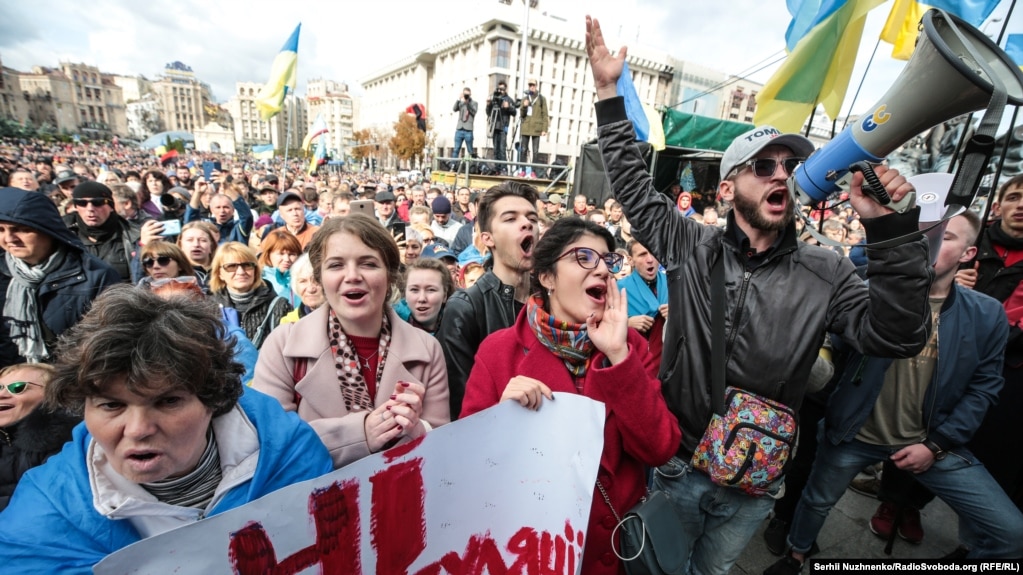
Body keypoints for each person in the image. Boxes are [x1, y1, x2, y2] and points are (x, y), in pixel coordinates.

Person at [585, 16, 934, 574]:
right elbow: (629, 181)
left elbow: (898, 335)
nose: (781, 175)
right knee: (659, 568)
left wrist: (890, 234)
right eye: (762, 167)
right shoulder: (689, 244)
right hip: (680, 461)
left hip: (756, 479)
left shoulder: (828, 270)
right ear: (726, 190)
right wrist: (608, 92)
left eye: (788, 167)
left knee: (713, 572)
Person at [0, 286, 332, 572]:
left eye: (168, 402)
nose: (138, 429)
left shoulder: (290, 453)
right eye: (112, 405)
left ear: (213, 401)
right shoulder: (44, 516)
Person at [768, 213, 1023, 572]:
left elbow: (985, 387)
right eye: (922, 235)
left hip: (932, 442)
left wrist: (936, 445)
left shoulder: (987, 315)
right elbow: (832, 338)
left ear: (968, 254)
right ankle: (796, 553)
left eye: (944, 238)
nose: (928, 244)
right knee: (817, 500)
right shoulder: (871, 291)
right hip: (854, 434)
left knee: (1011, 532)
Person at [460, 217, 680, 574]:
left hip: (613, 552)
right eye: (583, 258)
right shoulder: (498, 352)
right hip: (533, 550)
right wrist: (501, 419)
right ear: (547, 277)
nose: (603, 271)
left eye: (608, 261)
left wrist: (619, 358)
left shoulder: (631, 347)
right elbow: (469, 472)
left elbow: (660, 449)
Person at [252, 214, 450, 469]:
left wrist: (416, 429)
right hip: (314, 504)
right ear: (320, 277)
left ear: (390, 276)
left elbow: (440, 446)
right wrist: (359, 434)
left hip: (401, 499)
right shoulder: (282, 346)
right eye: (336, 265)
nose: (353, 275)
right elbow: (269, 446)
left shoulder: (427, 348)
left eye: (368, 264)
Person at [438, 181, 539, 418]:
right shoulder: (465, 308)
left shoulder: (552, 300)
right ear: (488, 238)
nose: (527, 223)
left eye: (532, 219)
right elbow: (461, 408)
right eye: (510, 218)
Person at [0, 187, 121, 366]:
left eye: (22, 229)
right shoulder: (3, 274)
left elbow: (110, 345)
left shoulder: (95, 275)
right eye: (1, 230)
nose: (10, 238)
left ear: (47, 229)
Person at [0, 363, 79, 511]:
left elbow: (49, 504)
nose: (2, 394)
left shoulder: (67, 440)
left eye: (17, 388)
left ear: (54, 395)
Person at [63, 181, 156, 283]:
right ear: (76, 206)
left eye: (97, 203)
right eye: (82, 203)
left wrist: (142, 248)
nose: (90, 209)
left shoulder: (135, 236)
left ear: (111, 206)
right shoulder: (64, 237)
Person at [207, 242, 292, 349]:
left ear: (255, 270)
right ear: (219, 273)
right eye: (231, 266)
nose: (241, 272)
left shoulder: (279, 306)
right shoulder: (209, 308)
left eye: (247, 265)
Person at [618, 239, 668, 359]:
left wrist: (676, 314)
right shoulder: (619, 288)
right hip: (637, 359)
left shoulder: (673, 283)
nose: (650, 259)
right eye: (642, 254)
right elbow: (604, 327)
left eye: (653, 252)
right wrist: (627, 323)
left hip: (672, 359)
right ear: (631, 261)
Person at [394, 258, 456, 336]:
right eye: (414, 290)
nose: (422, 298)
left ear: (444, 295)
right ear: (405, 294)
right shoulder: (389, 323)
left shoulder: (458, 327)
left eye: (431, 290)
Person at [184, 178, 253, 245]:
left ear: (233, 209)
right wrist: (198, 192)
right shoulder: (206, 226)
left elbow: (247, 216)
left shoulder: (238, 228)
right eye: (218, 207)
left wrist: (227, 188)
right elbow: (190, 222)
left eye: (226, 207)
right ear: (212, 209)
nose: (222, 211)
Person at [258, 229, 302, 306]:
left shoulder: (304, 279)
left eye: (292, 254)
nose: (287, 259)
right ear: (268, 254)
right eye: (281, 254)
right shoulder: (260, 280)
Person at [518, 78, 550, 178]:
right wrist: (524, 106)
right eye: (530, 85)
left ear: (536, 86)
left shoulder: (541, 99)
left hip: (537, 128)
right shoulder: (525, 98)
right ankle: (522, 170)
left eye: (533, 85)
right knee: (523, 150)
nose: (531, 87)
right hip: (526, 127)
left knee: (535, 151)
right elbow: (522, 114)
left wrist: (545, 129)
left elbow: (545, 114)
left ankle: (533, 171)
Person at [280, 254, 324, 324]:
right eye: (303, 281)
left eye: (317, 281)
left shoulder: (343, 319)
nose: (310, 289)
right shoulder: (288, 323)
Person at [486, 81, 516, 174]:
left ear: (505, 89)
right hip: (495, 125)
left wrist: (508, 107)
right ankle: (497, 168)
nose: (500, 91)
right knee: (495, 149)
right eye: (499, 89)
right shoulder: (494, 98)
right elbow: (488, 113)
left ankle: (504, 168)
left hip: (503, 126)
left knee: (502, 148)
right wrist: (488, 104)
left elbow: (514, 112)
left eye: (502, 89)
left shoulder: (509, 99)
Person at [177, 221, 218, 289]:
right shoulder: (175, 271)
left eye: (203, 240)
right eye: (190, 240)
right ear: (180, 245)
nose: (196, 244)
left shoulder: (222, 269)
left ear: (212, 245)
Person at [452, 87, 477, 161]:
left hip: (468, 130)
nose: (466, 96)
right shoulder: (461, 103)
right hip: (459, 129)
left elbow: (473, 112)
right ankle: (453, 166)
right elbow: (454, 109)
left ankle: (472, 166)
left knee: (470, 150)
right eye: (465, 94)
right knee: (456, 149)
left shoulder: (474, 103)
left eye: (467, 94)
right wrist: (458, 99)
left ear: (470, 94)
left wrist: (468, 103)